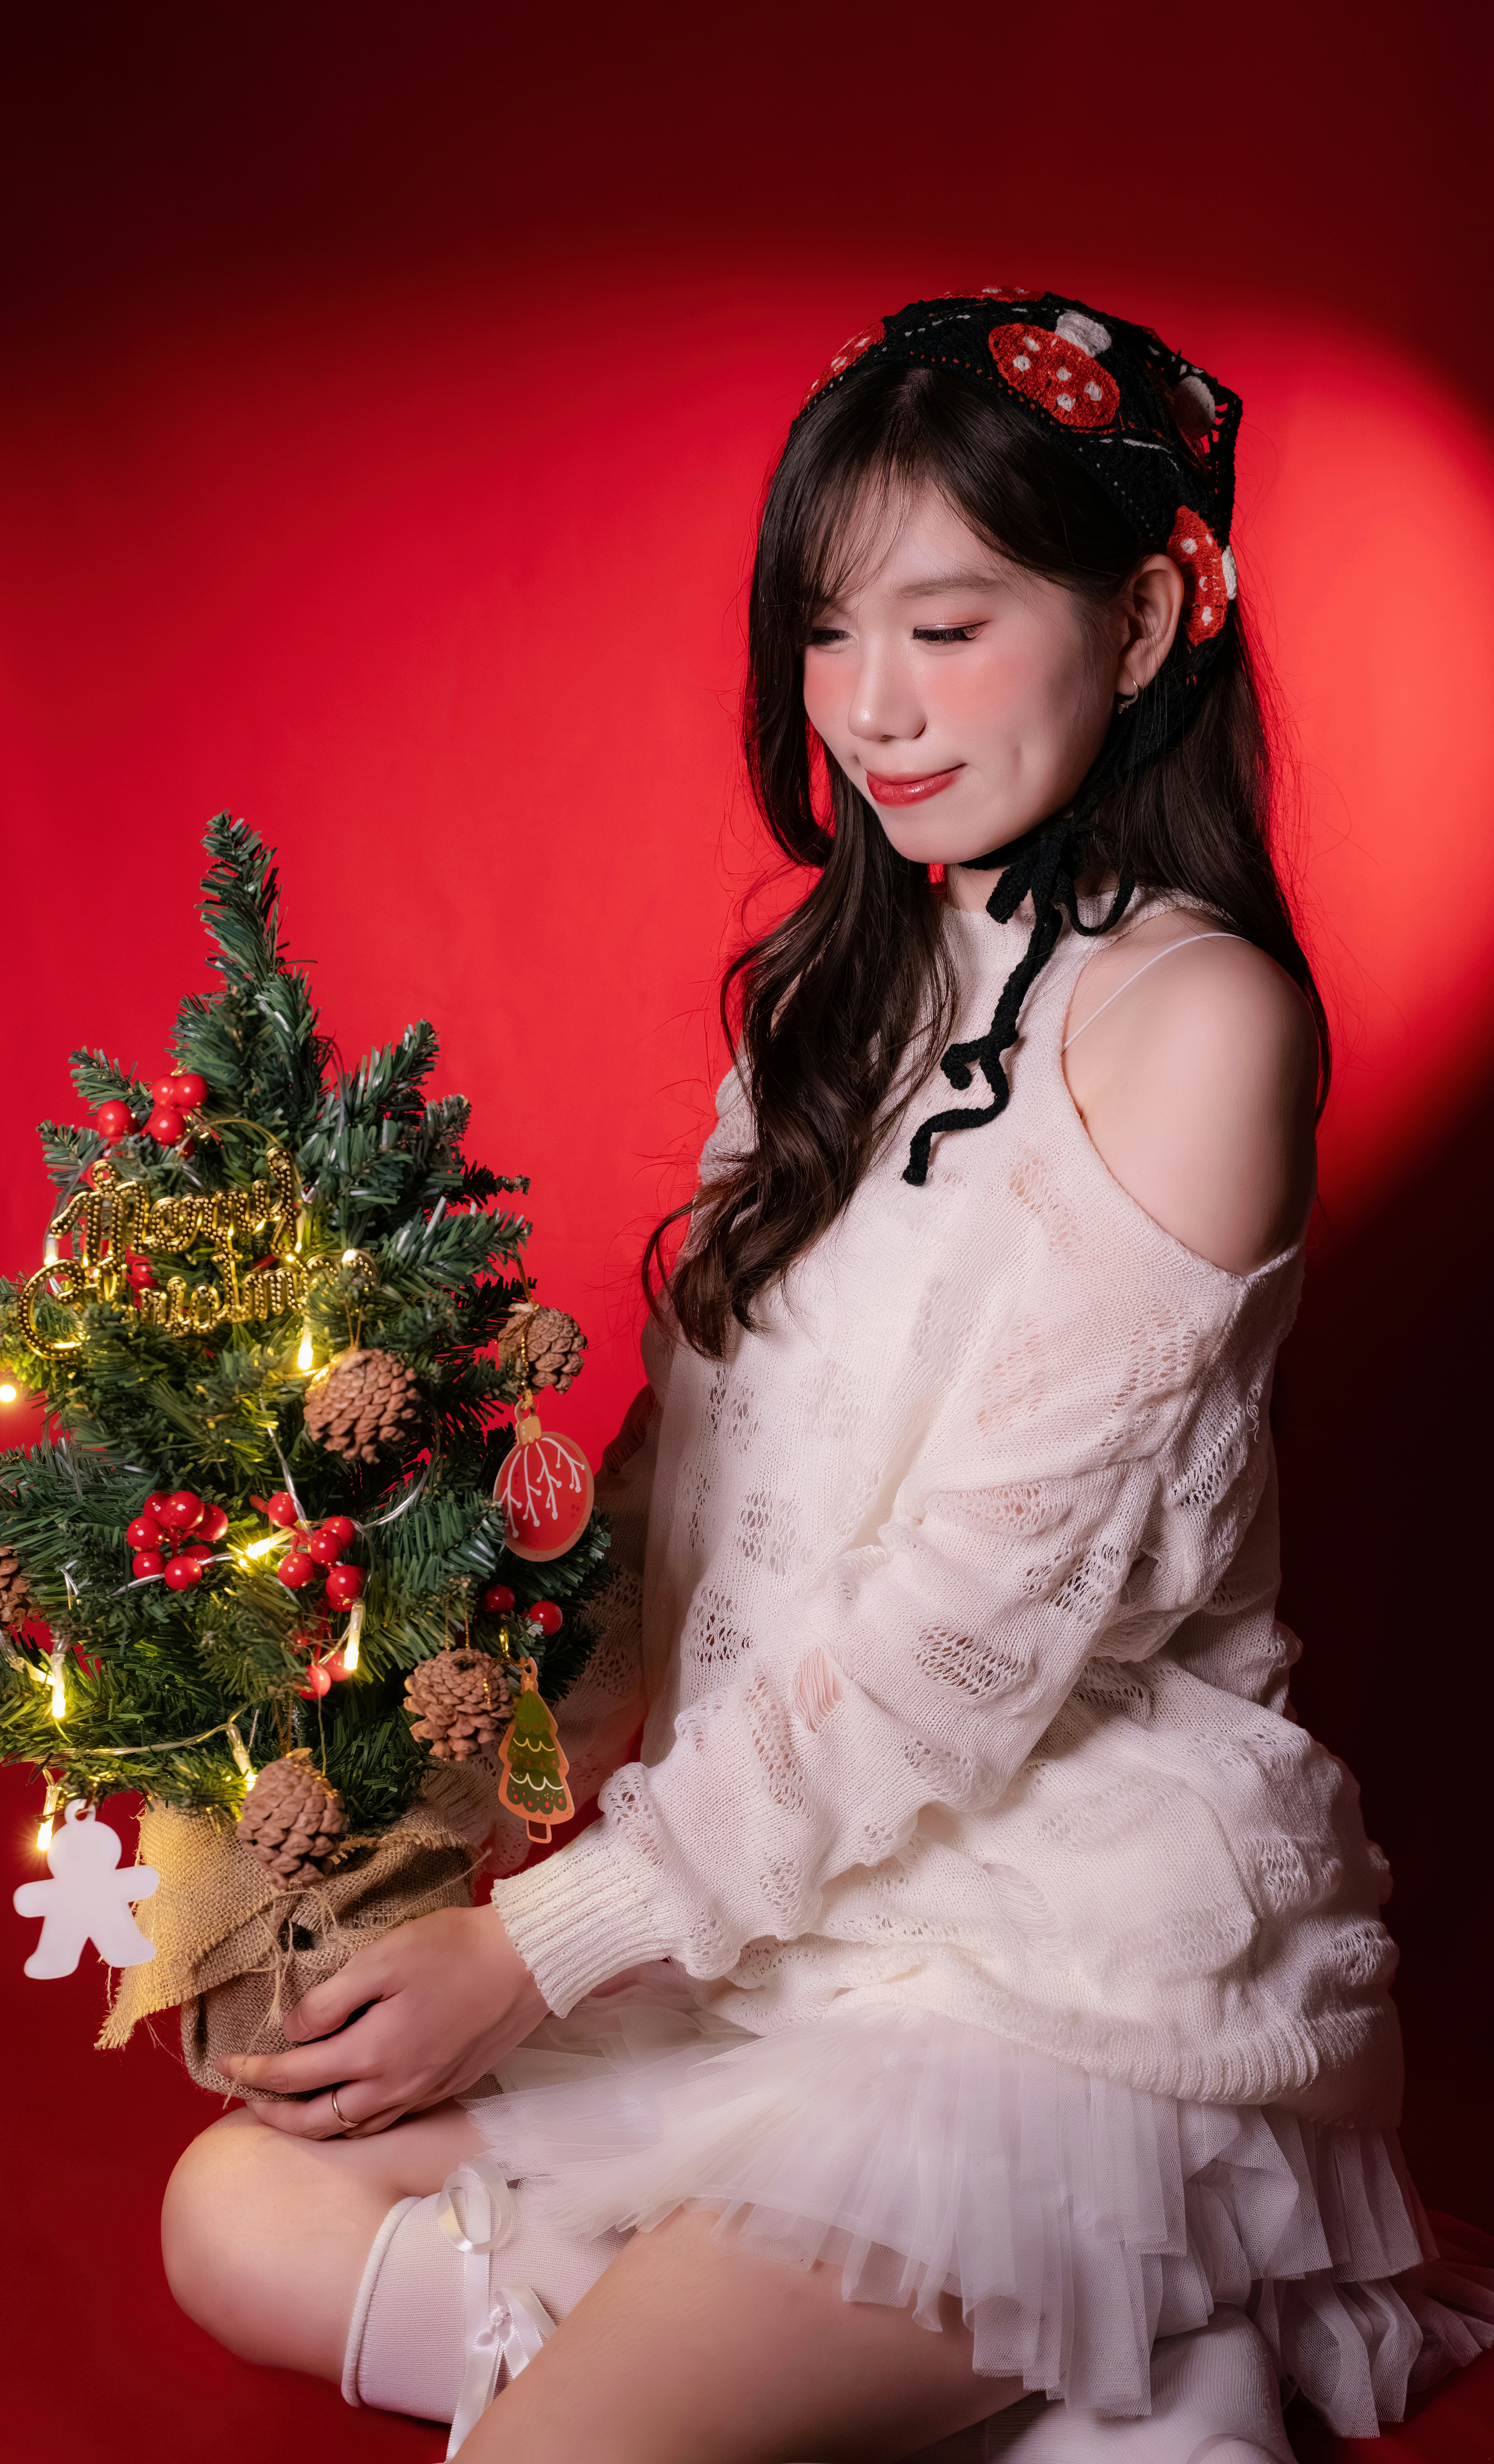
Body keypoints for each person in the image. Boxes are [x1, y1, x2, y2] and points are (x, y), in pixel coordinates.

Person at [159, 291, 1493, 2462]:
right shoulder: (832, 995)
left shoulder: (1201, 1023)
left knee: (569, 2442)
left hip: (1055, 1993)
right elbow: (686, 1499)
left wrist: (538, 1947)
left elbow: (965, 1637)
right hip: (776, 1940)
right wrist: (405, 1747)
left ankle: (1076, 2309)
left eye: (947, 628)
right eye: (825, 630)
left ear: (1144, 619)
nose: (870, 707)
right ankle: (1059, 2383)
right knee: (227, 2213)